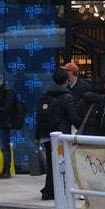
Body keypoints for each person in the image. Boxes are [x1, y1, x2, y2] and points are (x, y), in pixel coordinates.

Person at [35, 67, 77, 200]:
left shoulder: (45, 95)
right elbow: (72, 117)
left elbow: (39, 117)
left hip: (47, 135)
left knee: (51, 162)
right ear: (66, 81)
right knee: (61, 163)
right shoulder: (67, 96)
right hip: (61, 136)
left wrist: (38, 135)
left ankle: (51, 189)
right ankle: (51, 190)